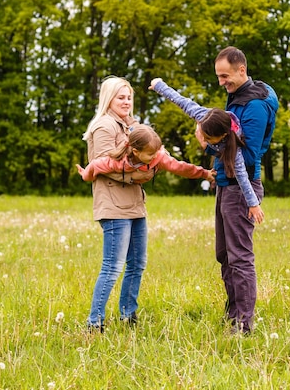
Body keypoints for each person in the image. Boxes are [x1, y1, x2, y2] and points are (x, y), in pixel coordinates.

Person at [155, 45, 278, 335]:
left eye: (225, 76)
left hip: (242, 187)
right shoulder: (236, 98)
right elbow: (189, 106)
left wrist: (207, 145)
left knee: (239, 256)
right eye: (219, 77)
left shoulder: (255, 105)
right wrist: (160, 86)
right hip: (225, 185)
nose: (221, 82)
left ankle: (243, 325)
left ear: (241, 70)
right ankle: (233, 312)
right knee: (224, 254)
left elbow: (247, 156)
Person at [80, 76, 148, 333]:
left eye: (129, 97)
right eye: (121, 97)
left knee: (137, 263)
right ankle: (94, 322)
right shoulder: (104, 126)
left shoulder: (130, 126)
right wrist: (138, 172)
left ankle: (128, 316)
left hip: (135, 204)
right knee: (112, 266)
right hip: (113, 206)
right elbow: (103, 164)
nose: (127, 101)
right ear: (109, 99)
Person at [149, 79, 264, 224]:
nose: (202, 139)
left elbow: (242, 178)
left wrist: (253, 204)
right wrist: (159, 86)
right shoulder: (202, 115)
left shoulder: (235, 151)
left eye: (208, 138)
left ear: (223, 136)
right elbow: (180, 100)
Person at [76, 123, 215, 184]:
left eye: (156, 152)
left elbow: (181, 167)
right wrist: (86, 176)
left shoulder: (159, 157)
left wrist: (205, 173)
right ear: (135, 151)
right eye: (150, 154)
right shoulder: (118, 162)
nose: (155, 156)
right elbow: (95, 165)